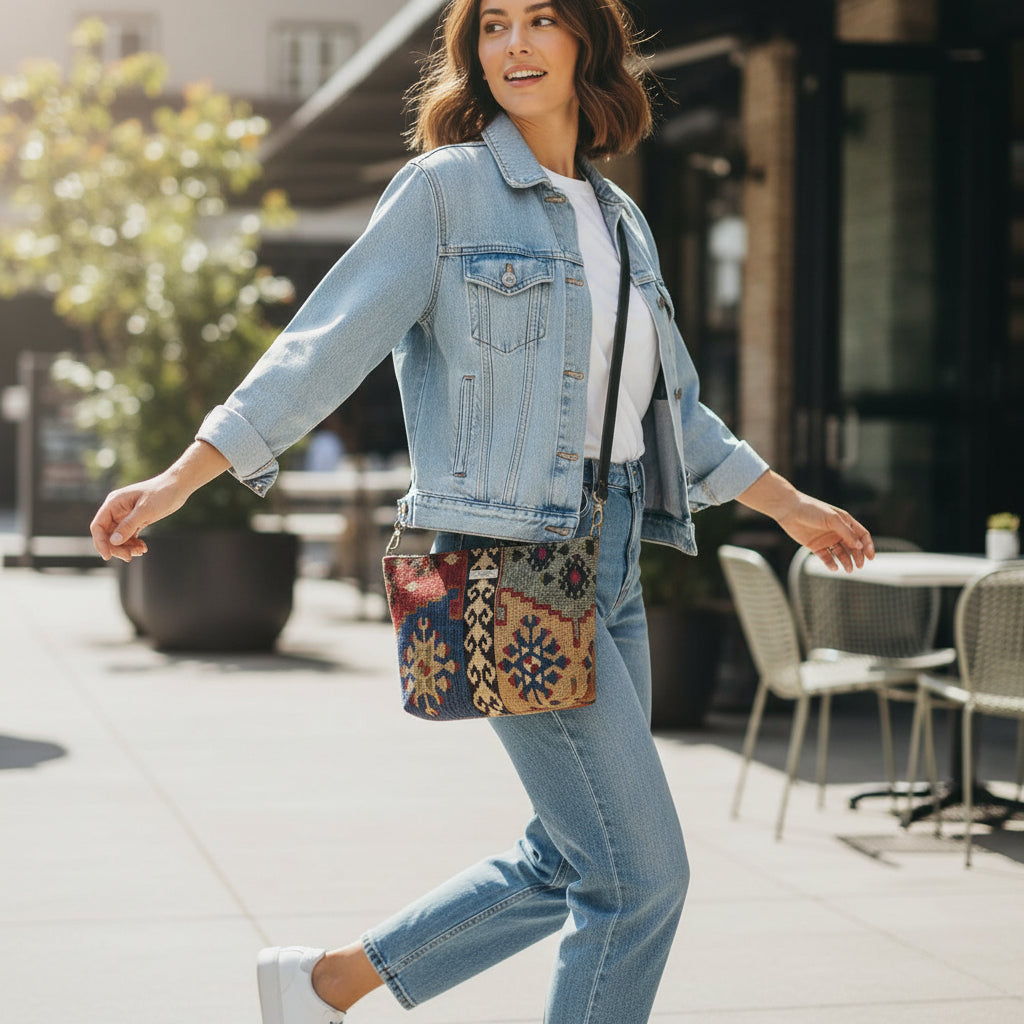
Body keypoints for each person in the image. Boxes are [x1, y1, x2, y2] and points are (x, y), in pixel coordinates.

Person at [90, 1, 875, 1021]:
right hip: (505, 560)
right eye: (492, 24)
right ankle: (323, 984)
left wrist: (791, 505)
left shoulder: (620, 219)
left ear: (586, 41)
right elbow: (322, 349)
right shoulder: (446, 193)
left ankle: (324, 984)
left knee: (574, 851)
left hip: (616, 561)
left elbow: (676, 412)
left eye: (539, 19)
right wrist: (181, 478)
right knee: (637, 880)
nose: (513, 44)